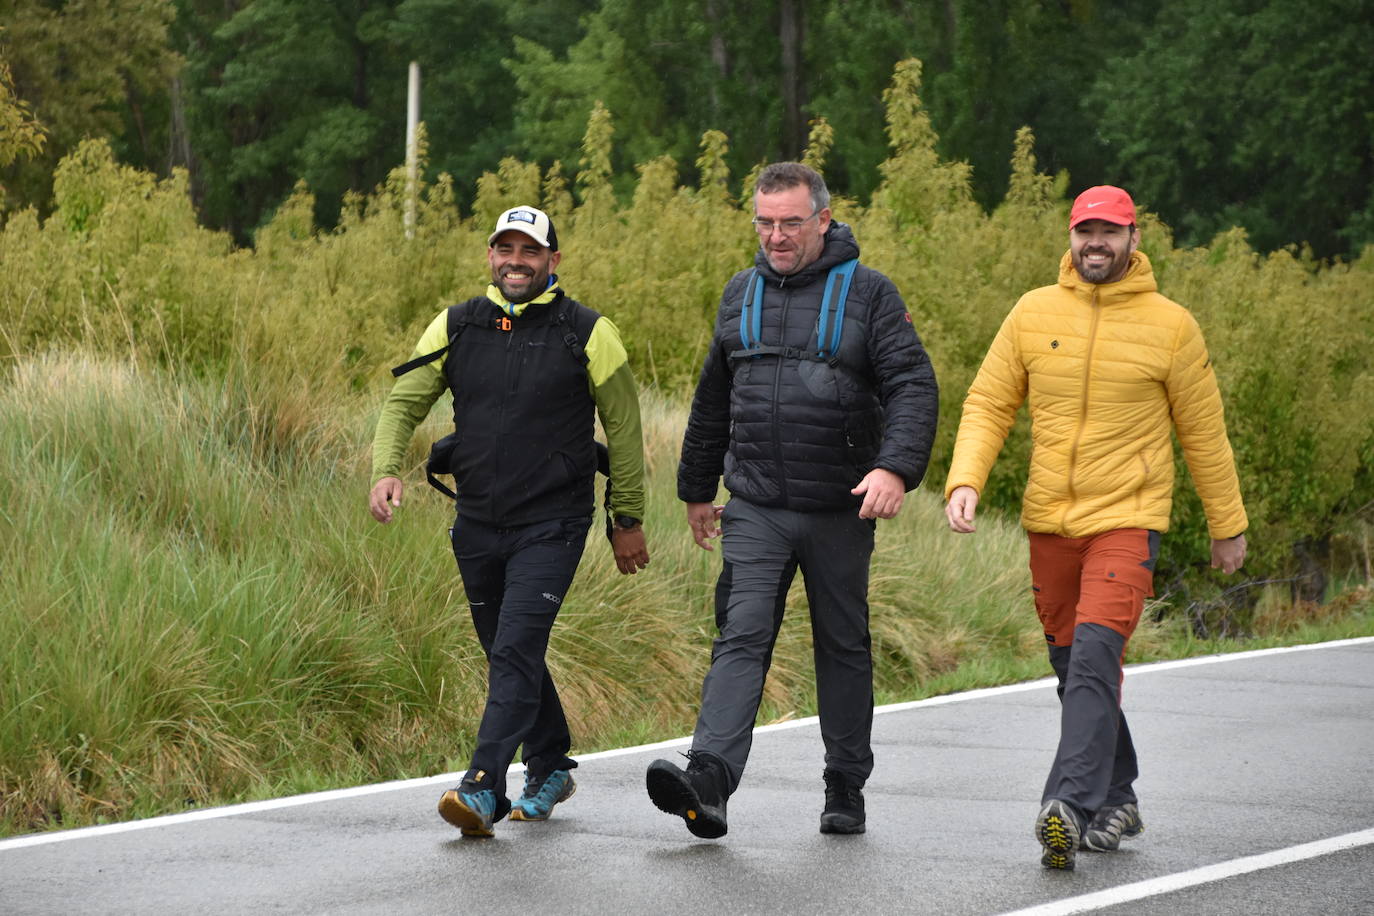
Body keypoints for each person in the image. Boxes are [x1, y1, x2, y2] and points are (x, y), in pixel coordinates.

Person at [943, 185, 1248, 869]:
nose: (1096, 244)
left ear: (1135, 239)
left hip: (1128, 520)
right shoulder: (1033, 312)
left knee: (1092, 659)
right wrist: (966, 479)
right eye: (1086, 232)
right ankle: (1118, 793)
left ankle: (1069, 808)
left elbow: (1204, 433)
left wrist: (1228, 525)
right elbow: (989, 402)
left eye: (1110, 233)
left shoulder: (1172, 326)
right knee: (1071, 668)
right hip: (1050, 524)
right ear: (1071, 237)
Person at [646, 162, 939, 838]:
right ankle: (709, 780)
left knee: (842, 643)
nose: (776, 236)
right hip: (756, 504)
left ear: (823, 220)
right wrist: (696, 490)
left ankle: (845, 786)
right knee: (742, 632)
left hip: (842, 506)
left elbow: (913, 386)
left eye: (790, 223)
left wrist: (894, 468)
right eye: (765, 222)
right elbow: (713, 399)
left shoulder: (869, 294)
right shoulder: (738, 292)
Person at [369, 205, 650, 838]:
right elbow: (403, 402)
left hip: (553, 523)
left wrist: (625, 517)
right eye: (505, 249)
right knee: (506, 652)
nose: (515, 261)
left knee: (517, 648)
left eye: (530, 251)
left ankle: (482, 787)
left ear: (554, 260)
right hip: (476, 520)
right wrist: (386, 469)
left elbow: (625, 435)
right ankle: (550, 763)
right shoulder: (457, 324)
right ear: (490, 255)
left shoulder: (588, 331)